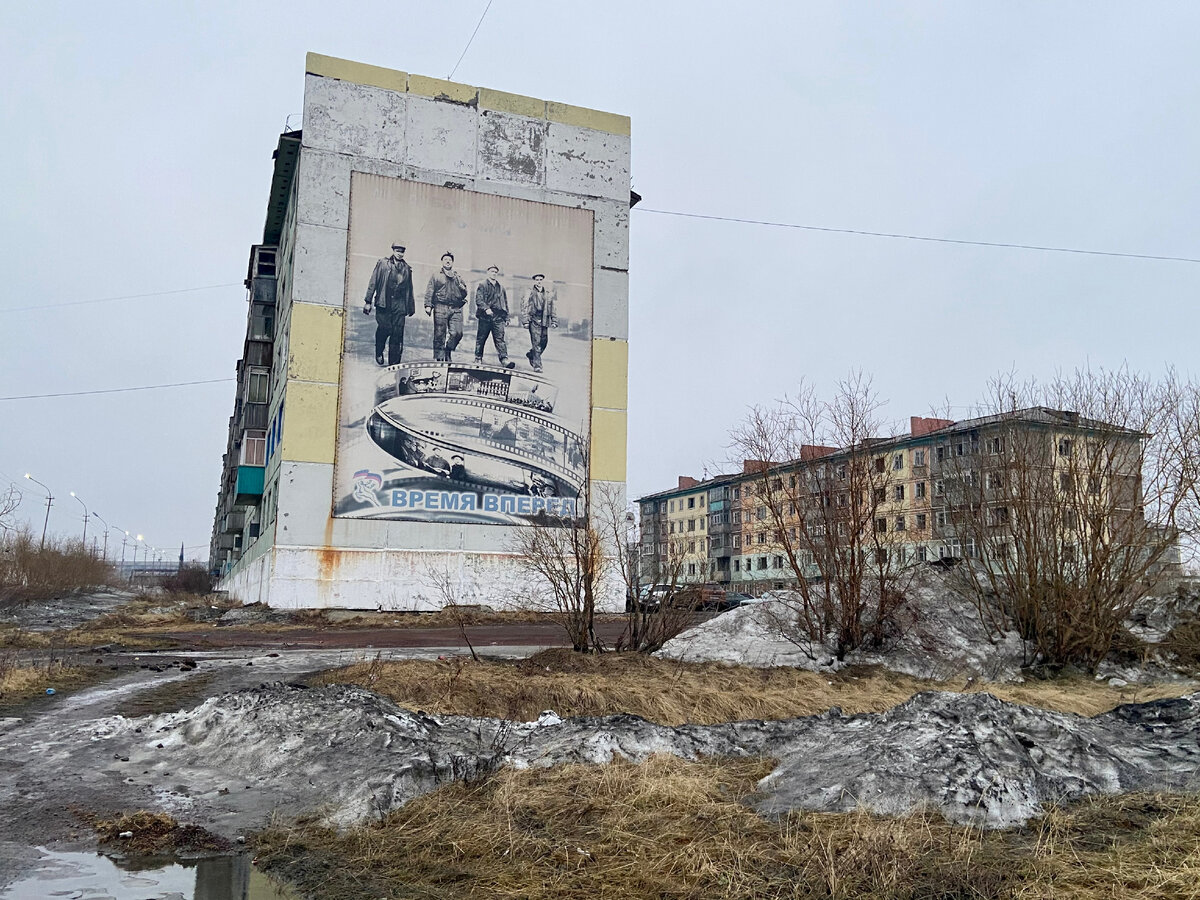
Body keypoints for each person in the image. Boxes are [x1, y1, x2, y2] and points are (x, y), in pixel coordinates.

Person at [362, 243, 415, 366]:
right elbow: (373, 281)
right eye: (397, 250)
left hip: (399, 305)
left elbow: (409, 289)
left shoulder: (407, 268)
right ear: (393, 250)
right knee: (385, 328)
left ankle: (393, 364)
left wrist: (410, 307)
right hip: (384, 302)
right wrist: (368, 301)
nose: (399, 253)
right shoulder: (383, 263)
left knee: (397, 334)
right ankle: (379, 351)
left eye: (402, 251)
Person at [424, 251, 469, 362]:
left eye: (450, 260)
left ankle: (448, 349)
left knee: (458, 333)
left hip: (456, 308)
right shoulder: (436, 275)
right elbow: (430, 290)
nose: (448, 261)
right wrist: (428, 305)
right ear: (442, 262)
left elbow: (464, 293)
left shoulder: (457, 276)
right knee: (439, 333)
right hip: (440, 306)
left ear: (452, 262)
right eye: (445, 259)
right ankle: (439, 358)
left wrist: (462, 288)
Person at [473, 265, 515, 368]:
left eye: (496, 272)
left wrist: (507, 317)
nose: (494, 273)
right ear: (488, 272)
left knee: (500, 338)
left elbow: (505, 303)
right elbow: (479, 299)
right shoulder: (482, 285)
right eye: (492, 271)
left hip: (498, 317)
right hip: (485, 316)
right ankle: (478, 357)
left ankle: (504, 359)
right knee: (481, 338)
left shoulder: (501, 288)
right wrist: (486, 308)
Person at [521, 273, 557, 372]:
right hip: (533, 319)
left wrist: (554, 320)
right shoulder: (529, 292)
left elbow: (552, 307)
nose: (539, 281)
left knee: (544, 342)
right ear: (534, 281)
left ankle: (531, 354)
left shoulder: (548, 293)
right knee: (536, 342)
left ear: (543, 280)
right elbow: (524, 306)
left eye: (540, 279)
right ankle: (537, 365)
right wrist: (525, 321)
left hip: (544, 319)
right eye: (537, 279)